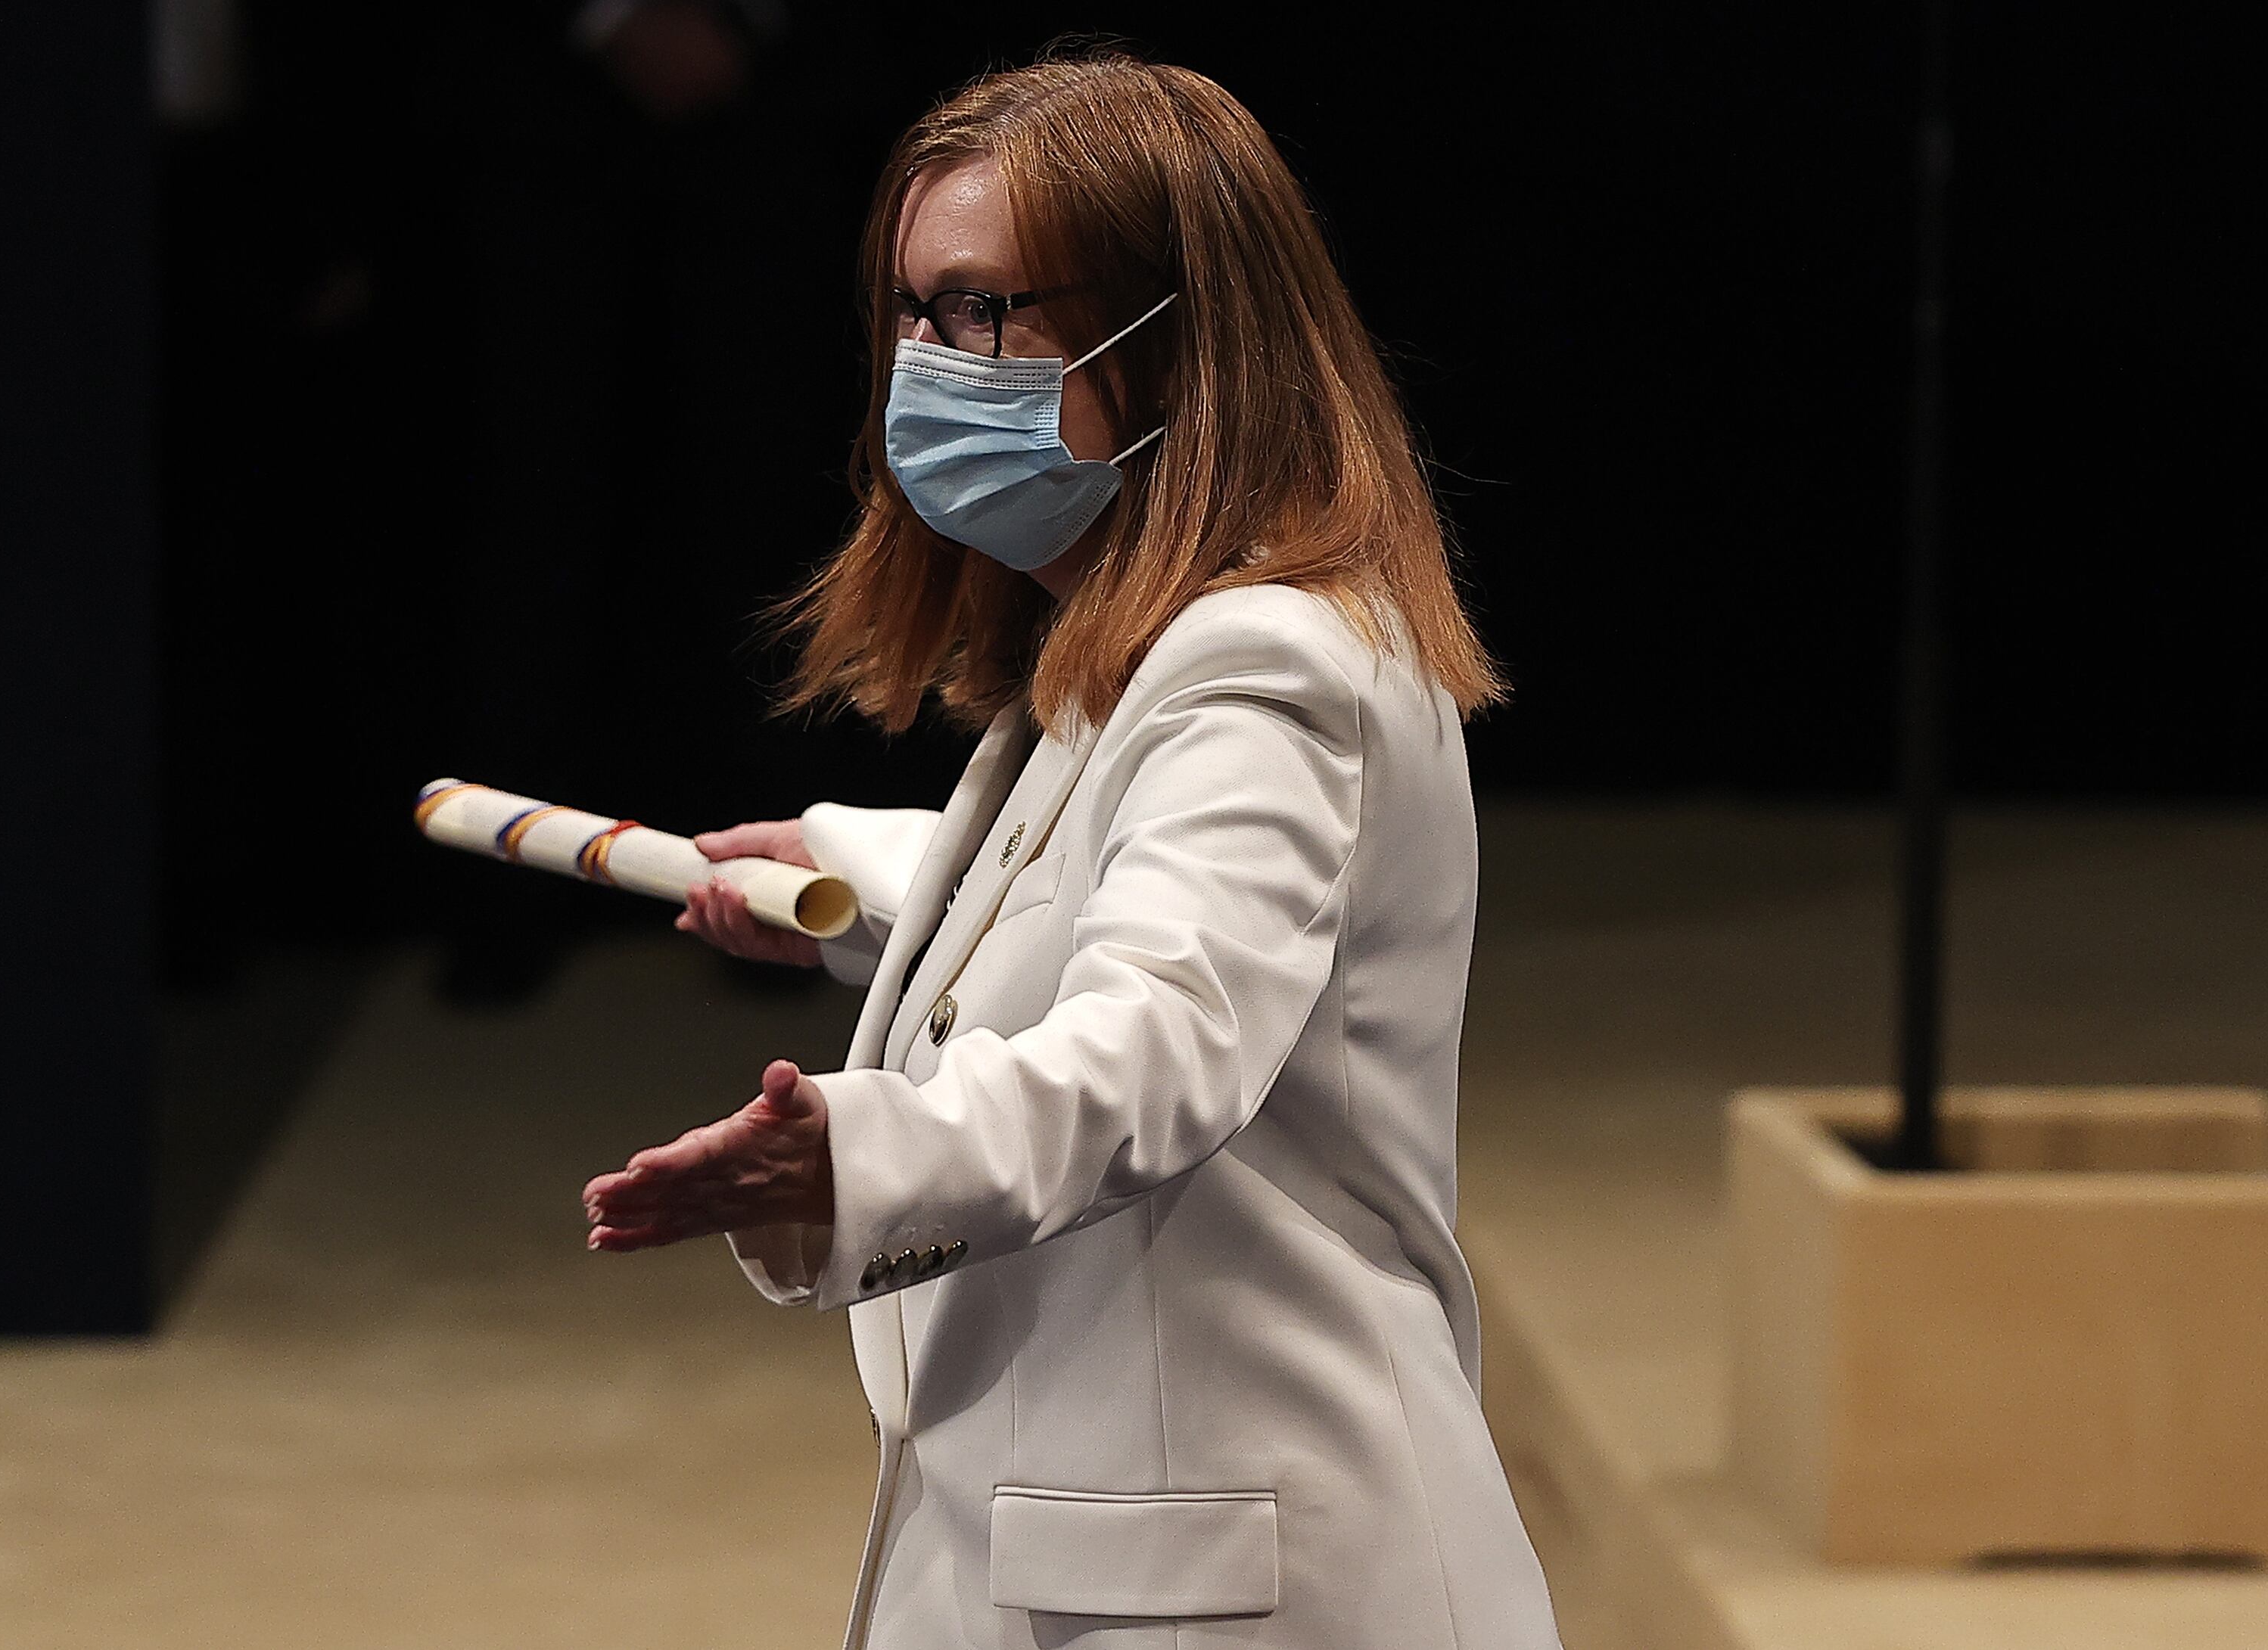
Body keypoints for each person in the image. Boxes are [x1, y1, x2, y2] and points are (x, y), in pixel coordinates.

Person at [580, 48, 1563, 1649]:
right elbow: (1129, 878)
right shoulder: (1160, 627)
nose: (926, 366)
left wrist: (851, 1152)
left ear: (1174, 343)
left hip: (1230, 1597)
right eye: (910, 313)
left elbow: (1159, 1034)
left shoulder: (1261, 660)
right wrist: (853, 888)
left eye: (984, 313)